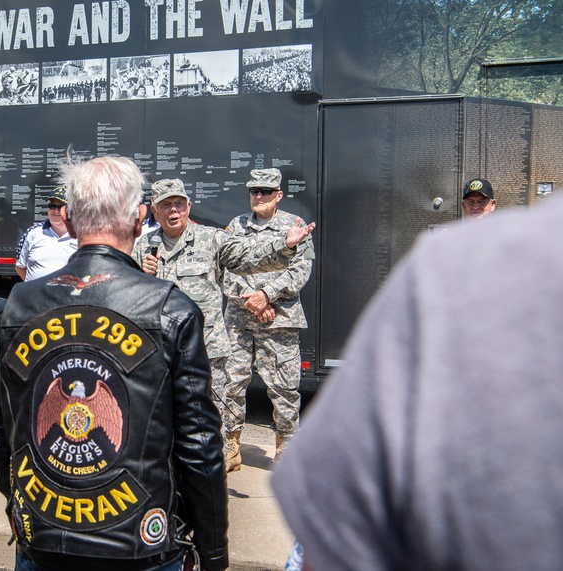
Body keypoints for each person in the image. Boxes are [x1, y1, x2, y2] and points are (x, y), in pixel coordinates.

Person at [0, 156, 313, 571]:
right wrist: (211, 551)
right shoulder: (170, 309)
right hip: (141, 545)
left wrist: (25, 509)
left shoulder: (15, 306)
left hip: (43, 540)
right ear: (142, 218)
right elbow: (198, 447)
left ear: (68, 217)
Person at [272, 197, 563, 571]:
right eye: (469, 202)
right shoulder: (456, 256)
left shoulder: (462, 259)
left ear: (493, 205)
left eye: (481, 202)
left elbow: (335, 518)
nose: (474, 208)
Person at [130, 177, 314, 472]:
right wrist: (138, 273)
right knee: (159, 411)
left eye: (179, 203)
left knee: (210, 413)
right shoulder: (142, 249)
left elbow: (248, 257)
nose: (173, 210)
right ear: (154, 210)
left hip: (206, 349)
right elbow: (122, 293)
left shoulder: (212, 239)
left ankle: (207, 472)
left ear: (189, 206)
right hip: (160, 350)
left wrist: (285, 245)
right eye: (166, 205)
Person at [222, 168, 313, 467]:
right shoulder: (236, 227)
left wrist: (267, 294)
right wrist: (253, 301)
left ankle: (286, 450)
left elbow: (301, 270)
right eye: (254, 191)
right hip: (239, 321)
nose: (258, 196)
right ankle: (230, 446)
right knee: (231, 384)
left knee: (284, 388)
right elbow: (224, 269)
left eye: (265, 191)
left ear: (279, 195)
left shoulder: (294, 226)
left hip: (280, 321)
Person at [14, 186, 77, 280]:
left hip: (66, 294)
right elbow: (20, 266)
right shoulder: (33, 233)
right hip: (35, 294)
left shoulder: (81, 236)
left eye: (61, 207)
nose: (55, 211)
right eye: (52, 206)